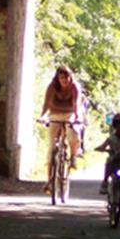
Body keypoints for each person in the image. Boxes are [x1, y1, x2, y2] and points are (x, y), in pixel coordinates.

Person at [38, 65, 83, 194]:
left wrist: (78, 117)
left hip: (70, 114)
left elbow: (76, 104)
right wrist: (42, 116)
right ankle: (49, 182)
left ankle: (73, 157)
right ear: (57, 78)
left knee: (73, 134)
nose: (65, 80)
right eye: (62, 77)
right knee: (51, 147)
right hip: (55, 114)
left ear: (70, 77)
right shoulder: (52, 87)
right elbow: (46, 103)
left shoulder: (75, 87)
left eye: (67, 77)